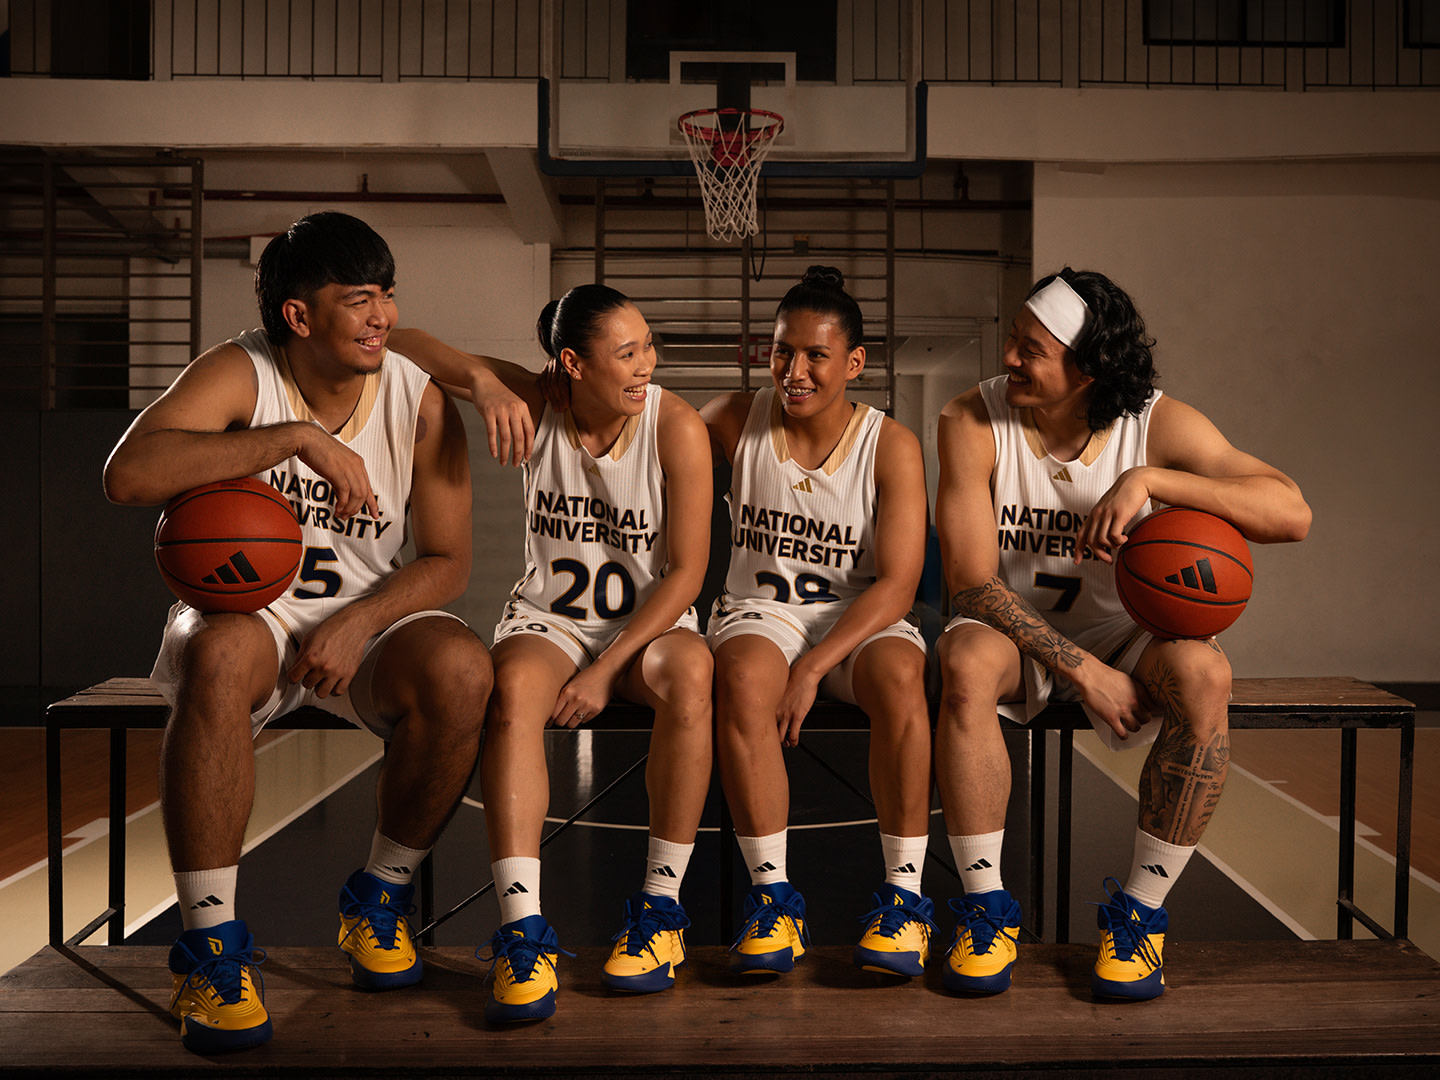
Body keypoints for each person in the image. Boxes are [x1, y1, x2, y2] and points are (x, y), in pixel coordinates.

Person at [103, 211, 497, 1053]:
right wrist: (291, 440)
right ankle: (209, 948)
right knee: (215, 650)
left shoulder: (417, 399)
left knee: (464, 670)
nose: (383, 316)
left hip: (366, 622)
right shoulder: (243, 370)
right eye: (359, 300)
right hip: (249, 614)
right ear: (299, 315)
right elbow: (127, 475)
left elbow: (448, 562)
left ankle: (378, 899)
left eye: (388, 296)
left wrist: (360, 621)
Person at [933, 268, 1311, 1000]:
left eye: (1030, 349)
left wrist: (1150, 482)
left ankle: (1138, 916)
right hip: (1014, 630)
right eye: (1012, 340)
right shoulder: (969, 418)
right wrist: (1081, 670)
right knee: (967, 662)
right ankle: (985, 911)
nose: (1008, 357)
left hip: (1125, 630)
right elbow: (971, 581)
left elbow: (1290, 514)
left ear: (1089, 370)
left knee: (1206, 677)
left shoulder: (1156, 424)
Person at [389, 283, 714, 1022]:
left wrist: (606, 670)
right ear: (572, 362)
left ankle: (660, 915)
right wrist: (479, 382)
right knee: (510, 697)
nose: (646, 365)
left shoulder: (675, 425)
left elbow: (688, 571)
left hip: (647, 628)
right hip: (552, 620)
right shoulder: (535, 401)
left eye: (648, 346)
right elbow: (404, 345)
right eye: (626, 352)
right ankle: (521, 929)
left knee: (692, 674)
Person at [699, 266, 934, 979]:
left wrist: (813, 667)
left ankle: (904, 901)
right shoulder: (731, 419)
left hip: (856, 616)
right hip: (761, 612)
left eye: (815, 356)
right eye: (780, 352)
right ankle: (774, 902)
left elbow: (898, 583)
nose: (793, 371)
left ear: (854, 363)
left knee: (900, 677)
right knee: (739, 679)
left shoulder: (889, 445)